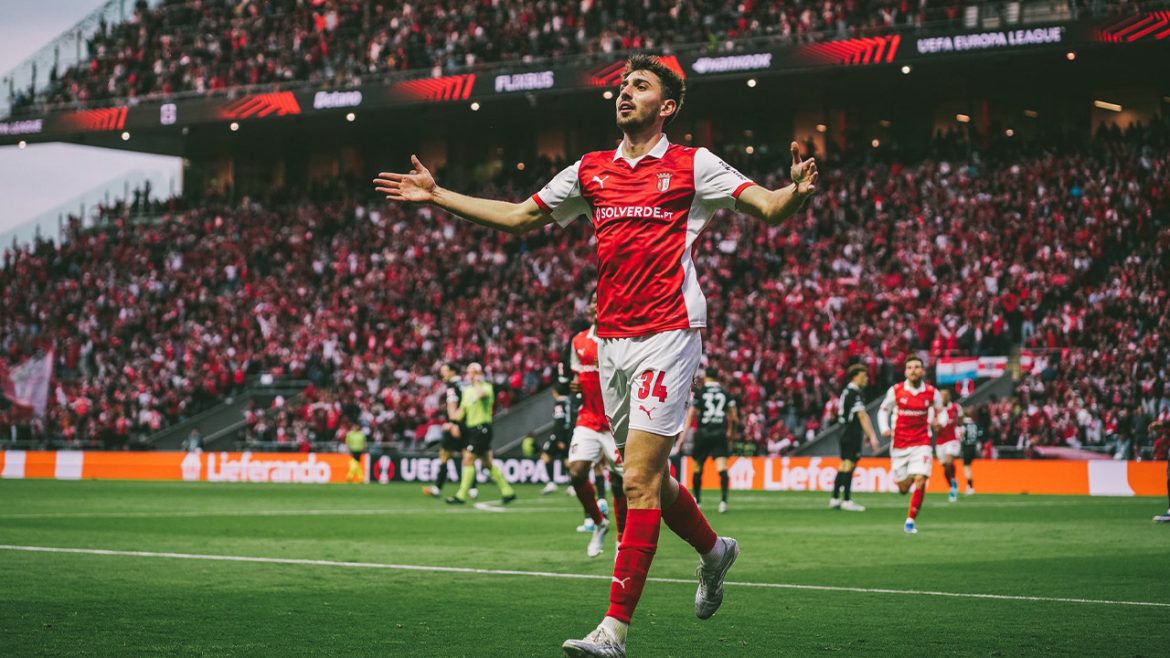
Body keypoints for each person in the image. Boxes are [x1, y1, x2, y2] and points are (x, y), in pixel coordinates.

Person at [374, 53, 818, 657]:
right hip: (612, 340)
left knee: (636, 479)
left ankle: (613, 631)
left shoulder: (694, 164)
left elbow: (768, 206)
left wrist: (795, 192)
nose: (624, 93)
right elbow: (518, 217)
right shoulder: (590, 170)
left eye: (640, 86)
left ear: (667, 106)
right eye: (622, 86)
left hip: (669, 331)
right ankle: (716, 552)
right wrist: (437, 195)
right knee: (648, 478)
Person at [565, 292, 627, 557]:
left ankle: (622, 540)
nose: (595, 306)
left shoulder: (622, 340)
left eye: (600, 301)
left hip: (616, 422)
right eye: (593, 301)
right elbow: (576, 375)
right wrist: (575, 385)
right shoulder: (578, 341)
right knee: (577, 472)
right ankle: (599, 522)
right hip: (588, 419)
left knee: (620, 483)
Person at [878, 356, 944, 534]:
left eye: (917, 367)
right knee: (903, 488)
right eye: (910, 367)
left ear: (923, 371)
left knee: (921, 479)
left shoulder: (932, 392)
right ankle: (908, 479)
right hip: (900, 444)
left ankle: (910, 521)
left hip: (922, 442)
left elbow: (941, 411)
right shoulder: (896, 390)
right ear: (905, 372)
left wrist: (941, 422)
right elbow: (883, 410)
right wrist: (884, 428)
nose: (913, 370)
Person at [446, 363, 515, 505]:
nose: (470, 375)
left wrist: (477, 381)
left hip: (482, 428)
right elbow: (460, 414)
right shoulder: (467, 391)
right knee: (487, 463)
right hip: (473, 430)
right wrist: (450, 420)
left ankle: (461, 495)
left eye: (474, 372)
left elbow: (482, 395)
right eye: (469, 372)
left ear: (480, 374)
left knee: (468, 459)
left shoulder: (486, 387)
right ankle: (508, 491)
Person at [678, 368, 738, 513]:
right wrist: (731, 433)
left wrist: (681, 439)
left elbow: (691, 415)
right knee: (722, 468)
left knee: (698, 468)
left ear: (706, 377)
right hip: (719, 433)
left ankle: (698, 502)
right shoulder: (725, 393)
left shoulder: (700, 393)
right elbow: (734, 418)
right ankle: (723, 502)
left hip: (703, 433)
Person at [829, 364, 880, 512]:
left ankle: (835, 498)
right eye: (864, 376)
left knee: (844, 465)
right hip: (850, 432)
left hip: (845, 431)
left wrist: (864, 434)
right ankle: (846, 500)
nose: (866, 379)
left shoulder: (848, 391)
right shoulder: (854, 393)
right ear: (855, 377)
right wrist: (872, 436)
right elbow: (862, 415)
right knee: (849, 465)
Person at [424, 363, 465, 497]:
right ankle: (472, 489)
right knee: (468, 456)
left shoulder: (452, 386)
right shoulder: (465, 384)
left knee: (444, 456)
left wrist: (453, 423)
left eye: (445, 370)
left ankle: (438, 487)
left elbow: (454, 405)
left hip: (454, 425)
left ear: (453, 371)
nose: (443, 373)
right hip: (466, 424)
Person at [935, 389, 964, 502]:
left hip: (952, 439)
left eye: (945, 395)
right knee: (945, 467)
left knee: (949, 463)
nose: (943, 398)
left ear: (949, 397)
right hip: (940, 442)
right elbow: (933, 423)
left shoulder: (956, 407)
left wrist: (961, 429)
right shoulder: (936, 409)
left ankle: (953, 486)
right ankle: (952, 484)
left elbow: (961, 420)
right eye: (941, 396)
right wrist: (936, 425)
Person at [959, 413, 980, 495]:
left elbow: (961, 435)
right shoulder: (974, 425)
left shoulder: (964, 425)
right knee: (968, 467)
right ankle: (969, 486)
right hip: (973, 447)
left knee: (966, 468)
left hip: (967, 447)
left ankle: (970, 487)